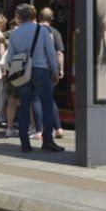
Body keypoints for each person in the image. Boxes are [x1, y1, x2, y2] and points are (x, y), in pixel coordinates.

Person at [4, 4, 61, 153]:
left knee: (24, 106)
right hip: (41, 71)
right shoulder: (42, 31)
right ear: (34, 16)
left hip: (24, 73)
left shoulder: (15, 34)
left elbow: (9, 58)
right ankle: (47, 141)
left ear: (20, 17)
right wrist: (55, 71)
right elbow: (51, 53)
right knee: (47, 106)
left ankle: (25, 143)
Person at [38, 7, 66, 138]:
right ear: (52, 19)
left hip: (36, 67)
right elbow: (59, 53)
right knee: (49, 98)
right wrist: (60, 69)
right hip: (50, 68)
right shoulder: (55, 32)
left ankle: (40, 129)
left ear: (39, 17)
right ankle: (58, 128)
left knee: (36, 98)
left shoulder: (34, 31)